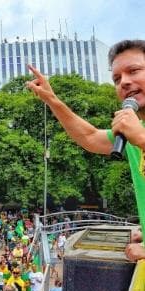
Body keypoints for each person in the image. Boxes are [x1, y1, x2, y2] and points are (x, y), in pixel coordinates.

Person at [26, 39, 145, 261]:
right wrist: (52, 100)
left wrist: (141, 138)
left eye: (134, 70)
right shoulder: (132, 130)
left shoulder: (136, 133)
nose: (124, 82)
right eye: (117, 79)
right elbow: (89, 137)